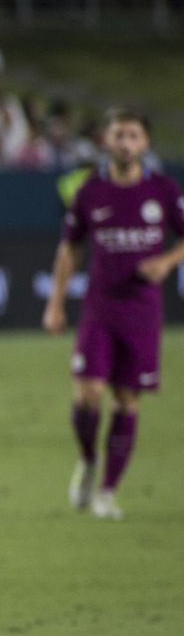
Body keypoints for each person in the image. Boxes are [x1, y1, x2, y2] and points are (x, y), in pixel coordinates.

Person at [42, 106, 184, 520]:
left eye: (133, 136)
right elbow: (69, 248)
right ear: (105, 141)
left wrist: (166, 262)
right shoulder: (89, 192)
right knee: (87, 396)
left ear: (146, 143)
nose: (126, 143)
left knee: (126, 401)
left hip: (142, 312)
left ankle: (107, 491)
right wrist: (54, 303)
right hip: (100, 309)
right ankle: (87, 459)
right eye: (119, 135)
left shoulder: (164, 190)